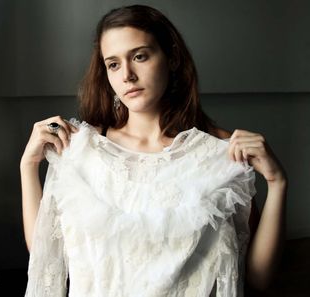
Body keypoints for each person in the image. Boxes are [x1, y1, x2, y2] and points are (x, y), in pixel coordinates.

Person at [20, 5, 287, 297]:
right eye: (113, 64)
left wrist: (277, 183)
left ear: (171, 58)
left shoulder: (221, 154)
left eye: (139, 56)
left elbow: (259, 278)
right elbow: (45, 252)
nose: (127, 76)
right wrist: (29, 165)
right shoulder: (82, 150)